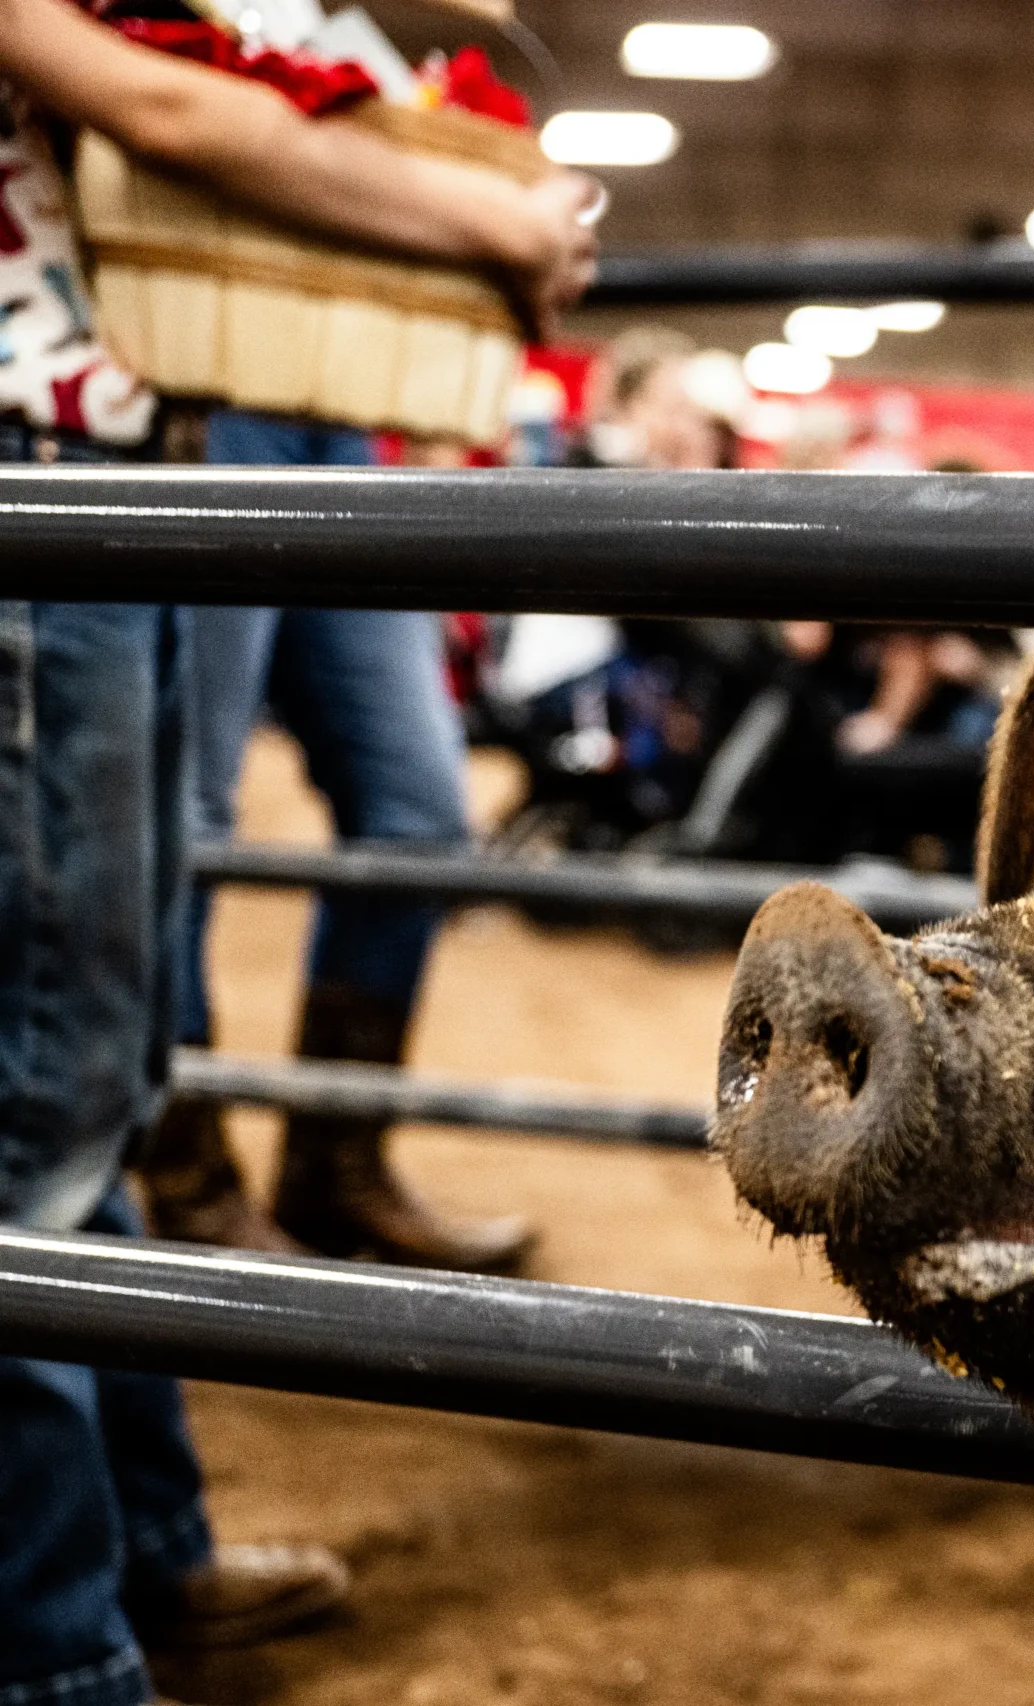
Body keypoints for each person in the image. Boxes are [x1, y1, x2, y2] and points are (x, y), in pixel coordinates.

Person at [0, 0, 593, 1698]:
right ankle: (56, 1651)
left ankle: (133, 1557)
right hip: (39, 451)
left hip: (99, 445)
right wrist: (496, 217)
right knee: (43, 1106)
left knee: (79, 1079)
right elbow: (158, 107)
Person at [132, 11, 598, 1271]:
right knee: (185, 813)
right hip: (195, 386)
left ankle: (336, 1156)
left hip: (335, 412)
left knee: (418, 804)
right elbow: (200, 135)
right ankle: (179, 1171)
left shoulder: (363, 41)